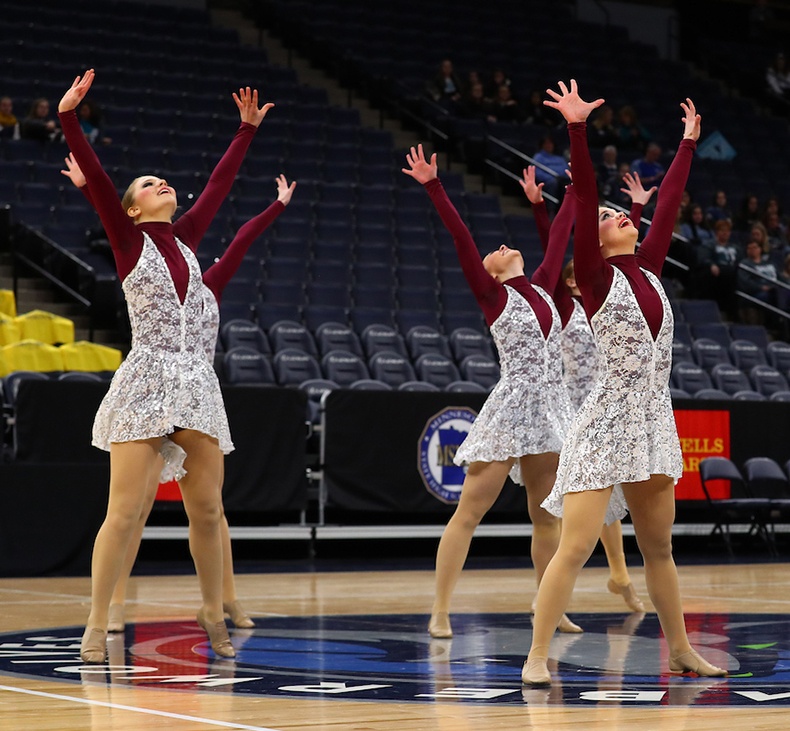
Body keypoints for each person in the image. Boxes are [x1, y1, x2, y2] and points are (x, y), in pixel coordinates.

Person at [57, 68, 273, 663]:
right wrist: (70, 117)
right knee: (125, 512)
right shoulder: (131, 244)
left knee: (208, 509)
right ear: (130, 211)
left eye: (161, 179)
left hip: (198, 385)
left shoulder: (188, 240)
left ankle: (211, 607)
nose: (162, 183)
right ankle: (99, 620)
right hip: (147, 380)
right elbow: (99, 181)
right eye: (148, 184)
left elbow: (218, 189)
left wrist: (245, 130)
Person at [523, 79, 726, 686]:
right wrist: (578, 129)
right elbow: (584, 194)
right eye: (609, 217)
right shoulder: (596, 274)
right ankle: (537, 655)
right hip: (607, 419)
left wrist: (687, 145)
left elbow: (665, 207)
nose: (615, 216)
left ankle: (682, 650)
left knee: (659, 549)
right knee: (576, 546)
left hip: (653, 422)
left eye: (619, 215)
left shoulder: (651, 270)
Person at [401, 144, 579, 641]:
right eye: (494, 253)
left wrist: (570, 188)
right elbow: (461, 237)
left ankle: (549, 606)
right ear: (492, 272)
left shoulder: (545, 284)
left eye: (503, 246)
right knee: (469, 512)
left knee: (548, 521)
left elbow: (563, 232)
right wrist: (434, 185)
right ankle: (440, 609)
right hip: (512, 406)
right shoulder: (493, 294)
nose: (501, 246)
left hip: (550, 410)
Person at [525, 164, 651, 614]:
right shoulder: (563, 305)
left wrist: (637, 208)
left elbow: (638, 265)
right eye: (571, 276)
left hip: (607, 402)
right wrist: (544, 208)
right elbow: (553, 250)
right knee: (585, 509)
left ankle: (619, 573)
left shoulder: (611, 297)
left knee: (613, 499)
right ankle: (590, 585)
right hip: (574, 410)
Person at [737, 237, 777, 324]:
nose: (752, 250)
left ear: (760, 249)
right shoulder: (745, 264)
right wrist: (761, 287)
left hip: (775, 289)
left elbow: (780, 277)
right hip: (757, 293)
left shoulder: (769, 263)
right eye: (749, 248)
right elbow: (745, 283)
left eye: (754, 248)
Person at [533, 134, 570, 209]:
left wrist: (559, 177)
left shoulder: (560, 158)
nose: (549, 145)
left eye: (550, 143)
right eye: (546, 143)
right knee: (553, 183)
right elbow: (537, 172)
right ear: (542, 145)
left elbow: (566, 170)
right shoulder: (538, 157)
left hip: (561, 180)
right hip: (547, 182)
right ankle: (551, 211)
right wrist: (552, 178)